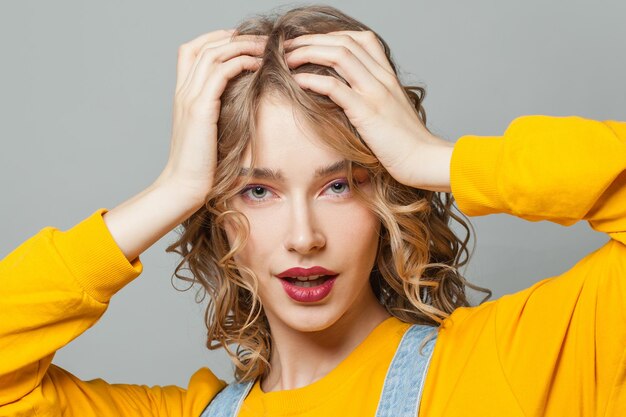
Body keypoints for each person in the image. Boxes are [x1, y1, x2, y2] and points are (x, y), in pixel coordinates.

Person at [1, 4, 624, 417]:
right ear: (217, 219)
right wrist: (171, 190)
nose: (303, 238)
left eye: (339, 185)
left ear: (389, 201)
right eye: (257, 191)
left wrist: (432, 158)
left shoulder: (516, 362)